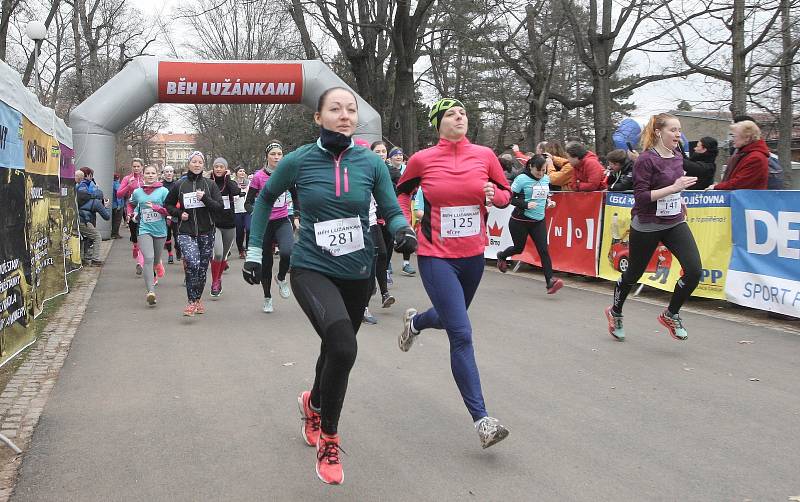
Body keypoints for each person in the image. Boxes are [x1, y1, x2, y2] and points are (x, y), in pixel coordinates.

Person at [241, 87, 415, 485]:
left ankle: (313, 402)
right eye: (335, 109)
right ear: (318, 117)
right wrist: (254, 251)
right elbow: (265, 200)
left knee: (334, 349)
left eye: (351, 109)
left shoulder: (370, 163)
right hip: (311, 268)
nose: (345, 115)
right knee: (343, 345)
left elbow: (389, 206)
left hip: (357, 272)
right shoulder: (299, 160)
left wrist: (402, 230)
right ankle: (329, 440)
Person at [396, 97, 512, 449]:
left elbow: (506, 194)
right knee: (461, 333)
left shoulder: (485, 155)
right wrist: (403, 226)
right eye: (451, 113)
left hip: (473, 255)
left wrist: (497, 196)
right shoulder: (422, 160)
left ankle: (415, 324)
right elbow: (401, 194)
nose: (459, 117)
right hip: (436, 256)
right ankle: (483, 421)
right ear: (438, 123)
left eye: (463, 112)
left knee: (449, 319)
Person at [604, 113, 702, 342]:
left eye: (679, 130)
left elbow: (673, 185)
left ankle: (671, 314)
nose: (678, 134)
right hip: (648, 223)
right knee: (634, 273)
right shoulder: (645, 160)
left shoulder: (678, 154)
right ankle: (615, 312)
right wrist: (674, 188)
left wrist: (680, 197)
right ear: (659, 132)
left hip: (674, 221)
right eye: (673, 130)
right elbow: (641, 197)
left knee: (694, 270)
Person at [164, 151, 223, 317]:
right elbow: (167, 204)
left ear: (203, 165)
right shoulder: (179, 185)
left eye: (200, 162)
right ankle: (191, 302)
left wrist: (204, 199)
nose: (197, 165)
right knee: (192, 263)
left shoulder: (210, 184)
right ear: (189, 164)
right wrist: (178, 212)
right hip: (185, 231)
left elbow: (218, 207)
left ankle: (197, 300)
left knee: (202, 269)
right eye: (194, 162)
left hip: (206, 231)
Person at [496, 155, 564, 294]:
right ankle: (502, 256)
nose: (540, 174)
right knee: (518, 248)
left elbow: (543, 195)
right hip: (520, 221)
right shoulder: (521, 179)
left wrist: (548, 202)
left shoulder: (545, 178)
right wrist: (525, 204)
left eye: (543, 170)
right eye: (538, 171)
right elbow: (509, 198)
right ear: (530, 167)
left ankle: (550, 282)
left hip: (538, 220)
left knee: (544, 250)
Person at [245, 142, 296, 313]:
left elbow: (296, 196)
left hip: (282, 220)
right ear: (266, 156)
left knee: (288, 251)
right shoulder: (258, 177)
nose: (276, 157)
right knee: (265, 263)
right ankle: (267, 297)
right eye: (273, 154)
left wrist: (297, 215)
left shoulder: (287, 175)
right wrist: (256, 213)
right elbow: (247, 203)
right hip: (265, 224)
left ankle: (281, 278)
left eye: (279, 154)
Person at [130, 165, 170, 305]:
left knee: (155, 259)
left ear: (157, 175)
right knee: (148, 258)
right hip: (144, 229)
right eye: (148, 173)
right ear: (143, 175)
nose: (150, 175)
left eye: (153, 173)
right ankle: (150, 292)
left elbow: (170, 209)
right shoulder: (137, 192)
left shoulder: (163, 191)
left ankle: (158, 263)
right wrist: (133, 213)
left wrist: (157, 208)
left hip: (160, 231)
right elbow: (132, 204)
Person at [209, 158, 241, 298]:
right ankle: (215, 282)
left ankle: (219, 278)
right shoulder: (209, 182)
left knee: (224, 257)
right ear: (213, 168)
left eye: (222, 166)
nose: (219, 169)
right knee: (218, 254)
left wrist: (228, 177)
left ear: (226, 169)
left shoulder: (229, 183)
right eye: (216, 166)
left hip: (229, 223)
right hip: (214, 224)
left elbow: (235, 191)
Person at [708, 120, 769, 190]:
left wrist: (716, 187)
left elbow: (740, 183)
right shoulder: (744, 154)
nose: (732, 140)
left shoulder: (755, 158)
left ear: (747, 138)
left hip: (746, 199)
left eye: (734, 136)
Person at [117, 158, 145, 275]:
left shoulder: (146, 177)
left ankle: (140, 262)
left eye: (138, 166)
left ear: (142, 167)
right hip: (131, 209)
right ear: (131, 167)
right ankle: (135, 247)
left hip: (145, 210)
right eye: (134, 166)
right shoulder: (127, 179)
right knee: (134, 235)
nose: (136, 168)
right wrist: (128, 186)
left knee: (144, 237)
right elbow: (119, 194)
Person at [75, 169, 109, 266]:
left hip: (76, 218)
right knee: (97, 236)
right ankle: (95, 259)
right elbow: (107, 217)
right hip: (84, 220)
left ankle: (83, 259)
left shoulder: (78, 191)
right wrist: (105, 207)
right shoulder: (96, 201)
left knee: (84, 238)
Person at [161, 166, 179, 264]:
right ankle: (170, 254)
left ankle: (177, 248)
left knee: (177, 235)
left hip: (175, 213)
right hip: (164, 213)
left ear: (173, 173)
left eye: (171, 171)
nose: (168, 173)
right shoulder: (160, 185)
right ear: (163, 173)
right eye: (166, 171)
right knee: (167, 236)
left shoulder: (177, 184)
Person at [233, 167, 250, 259]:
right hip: (237, 210)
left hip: (247, 210)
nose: (242, 172)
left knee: (249, 229)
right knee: (239, 232)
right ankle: (241, 250)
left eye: (244, 171)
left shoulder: (249, 183)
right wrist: (235, 196)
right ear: (236, 173)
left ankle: (248, 248)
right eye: (240, 171)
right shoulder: (233, 183)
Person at [111, 173, 124, 238]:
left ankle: (112, 232)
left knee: (113, 220)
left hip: (112, 205)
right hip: (117, 205)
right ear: (118, 179)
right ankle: (115, 233)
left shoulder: (110, 184)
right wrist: (119, 204)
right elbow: (119, 195)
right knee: (117, 220)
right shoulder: (117, 185)